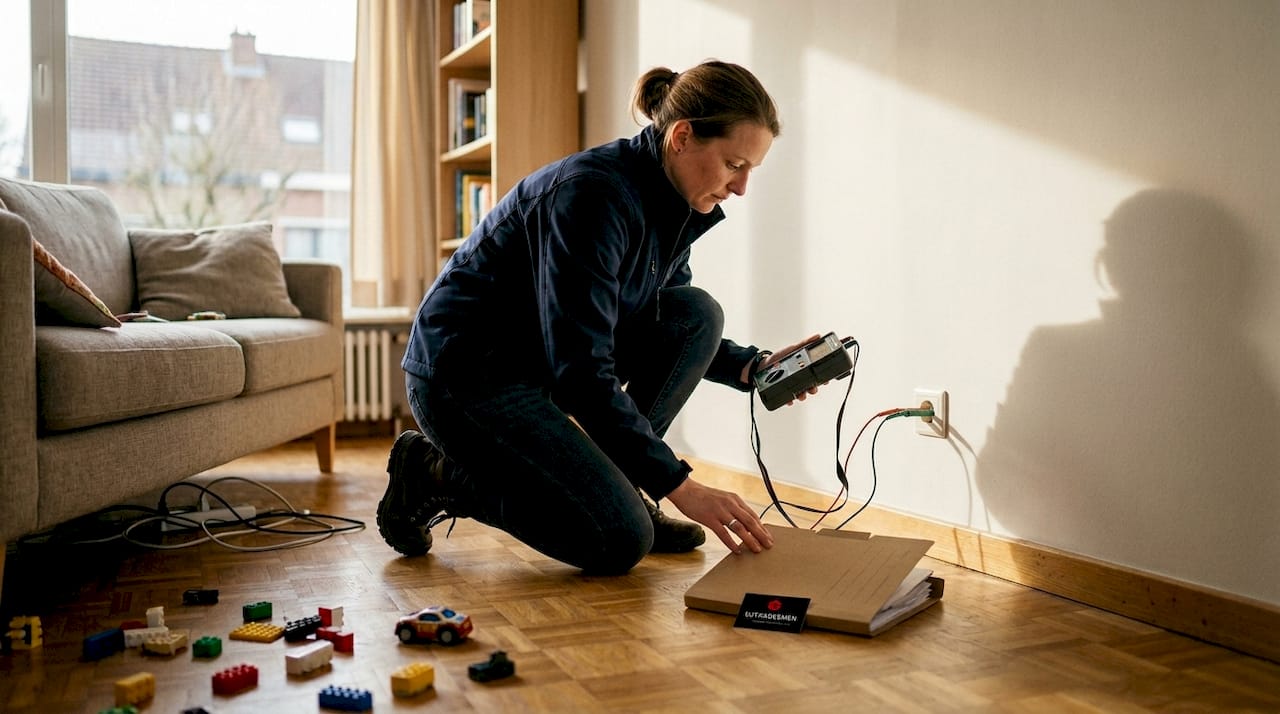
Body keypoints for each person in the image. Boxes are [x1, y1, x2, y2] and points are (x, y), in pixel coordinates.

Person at [379, 60, 819, 575]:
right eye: (734, 164)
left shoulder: (674, 203)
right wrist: (679, 485)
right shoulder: (592, 195)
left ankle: (621, 488)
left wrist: (753, 367)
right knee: (619, 540)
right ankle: (432, 473)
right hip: (468, 380)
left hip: (538, 369)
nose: (741, 187)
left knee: (696, 314)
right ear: (681, 136)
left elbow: (658, 322)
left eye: (750, 171)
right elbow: (584, 371)